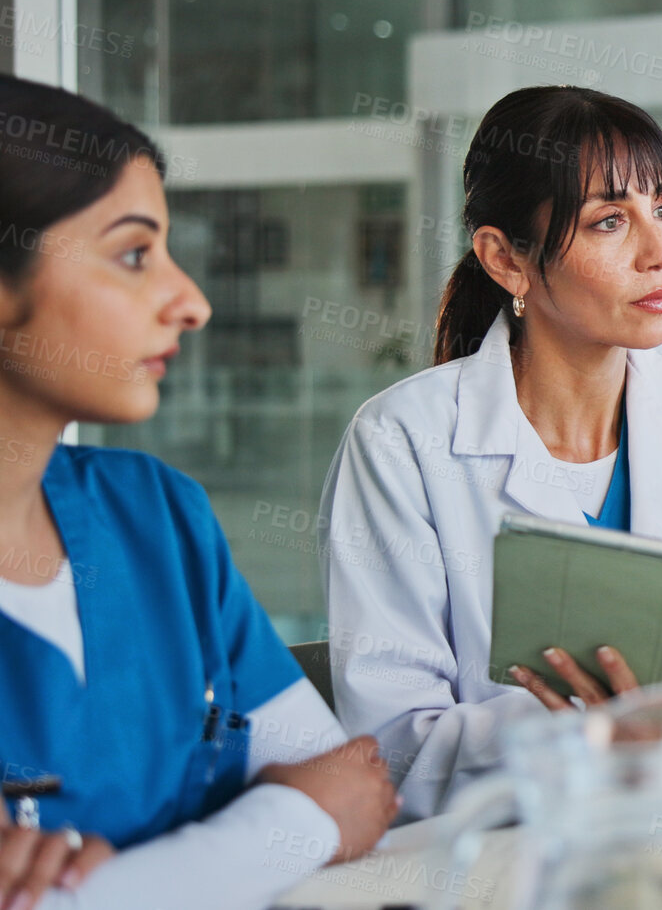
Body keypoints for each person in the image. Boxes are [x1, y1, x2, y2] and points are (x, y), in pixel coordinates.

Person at [321, 85, 662, 822]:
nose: (660, 252)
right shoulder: (402, 439)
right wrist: (607, 728)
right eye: (608, 221)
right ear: (506, 259)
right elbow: (395, 748)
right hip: (499, 856)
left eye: (661, 210)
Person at [0, 76, 396, 909]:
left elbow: (356, 790)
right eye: (134, 254)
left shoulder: (155, 517)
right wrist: (282, 827)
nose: (193, 303)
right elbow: (321, 809)